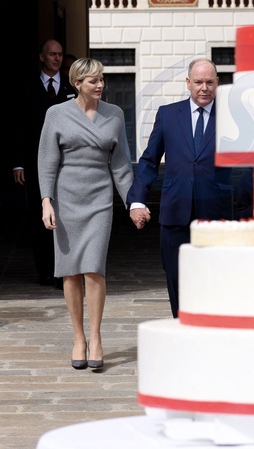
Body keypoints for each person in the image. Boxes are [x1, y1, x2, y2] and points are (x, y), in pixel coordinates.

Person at [38, 58, 134, 369]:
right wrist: (46, 201)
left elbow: (121, 165)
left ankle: (96, 336)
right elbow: (47, 161)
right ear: (77, 83)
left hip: (99, 199)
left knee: (94, 269)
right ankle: (78, 338)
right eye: (93, 80)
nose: (100, 85)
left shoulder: (114, 114)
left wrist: (133, 203)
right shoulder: (56, 114)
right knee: (70, 271)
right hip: (66, 199)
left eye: (102, 79)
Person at [127, 58, 234, 317]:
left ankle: (209, 329)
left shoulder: (232, 116)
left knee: (215, 278)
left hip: (216, 214)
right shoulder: (168, 115)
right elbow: (150, 160)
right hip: (175, 212)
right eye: (198, 82)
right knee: (176, 277)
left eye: (210, 82)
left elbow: (249, 161)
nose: (204, 88)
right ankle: (181, 325)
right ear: (188, 83)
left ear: (218, 83)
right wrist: (137, 201)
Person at [12, 39, 77, 287]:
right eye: (52, 54)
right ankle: (46, 270)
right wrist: (18, 163)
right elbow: (18, 127)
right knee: (40, 216)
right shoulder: (27, 87)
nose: (57, 58)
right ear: (42, 57)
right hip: (35, 161)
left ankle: (64, 271)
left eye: (60, 54)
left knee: (66, 216)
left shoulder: (72, 87)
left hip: (67, 162)